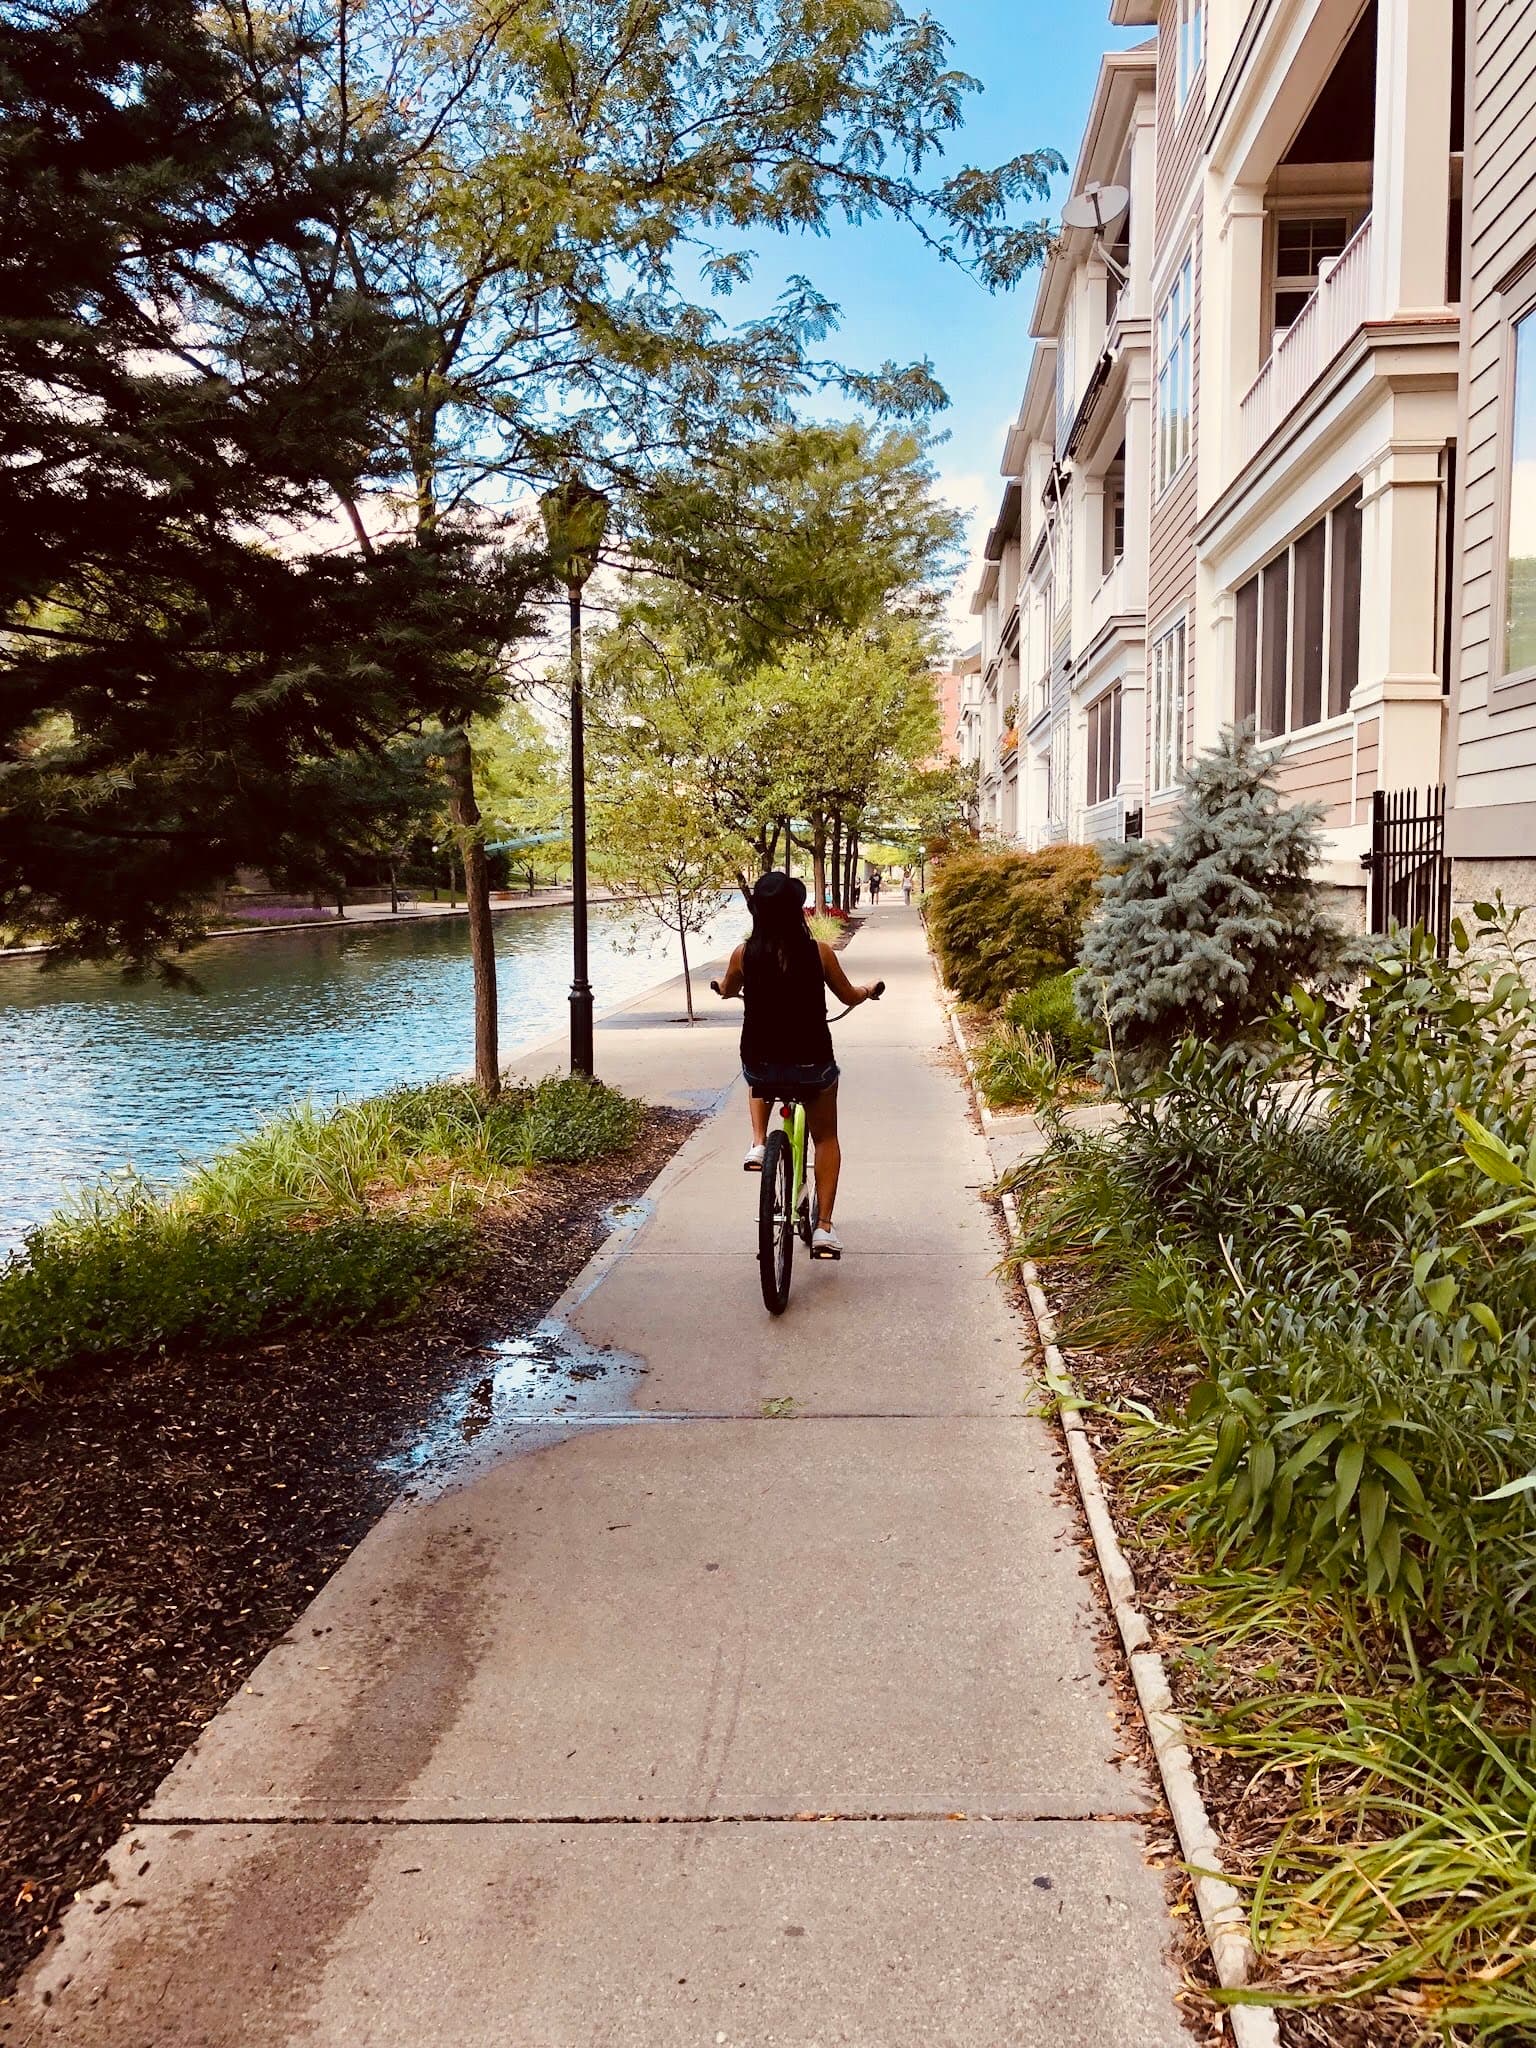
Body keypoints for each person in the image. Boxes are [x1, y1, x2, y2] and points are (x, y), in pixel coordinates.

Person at [713, 871, 879, 1259]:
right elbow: (848, 995)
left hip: (762, 1063)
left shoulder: (744, 953)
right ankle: (823, 1229)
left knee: (757, 1074)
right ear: (797, 910)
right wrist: (868, 991)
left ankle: (758, 1144)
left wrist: (722, 991)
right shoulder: (818, 952)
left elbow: (728, 987)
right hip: (812, 1064)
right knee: (826, 1138)